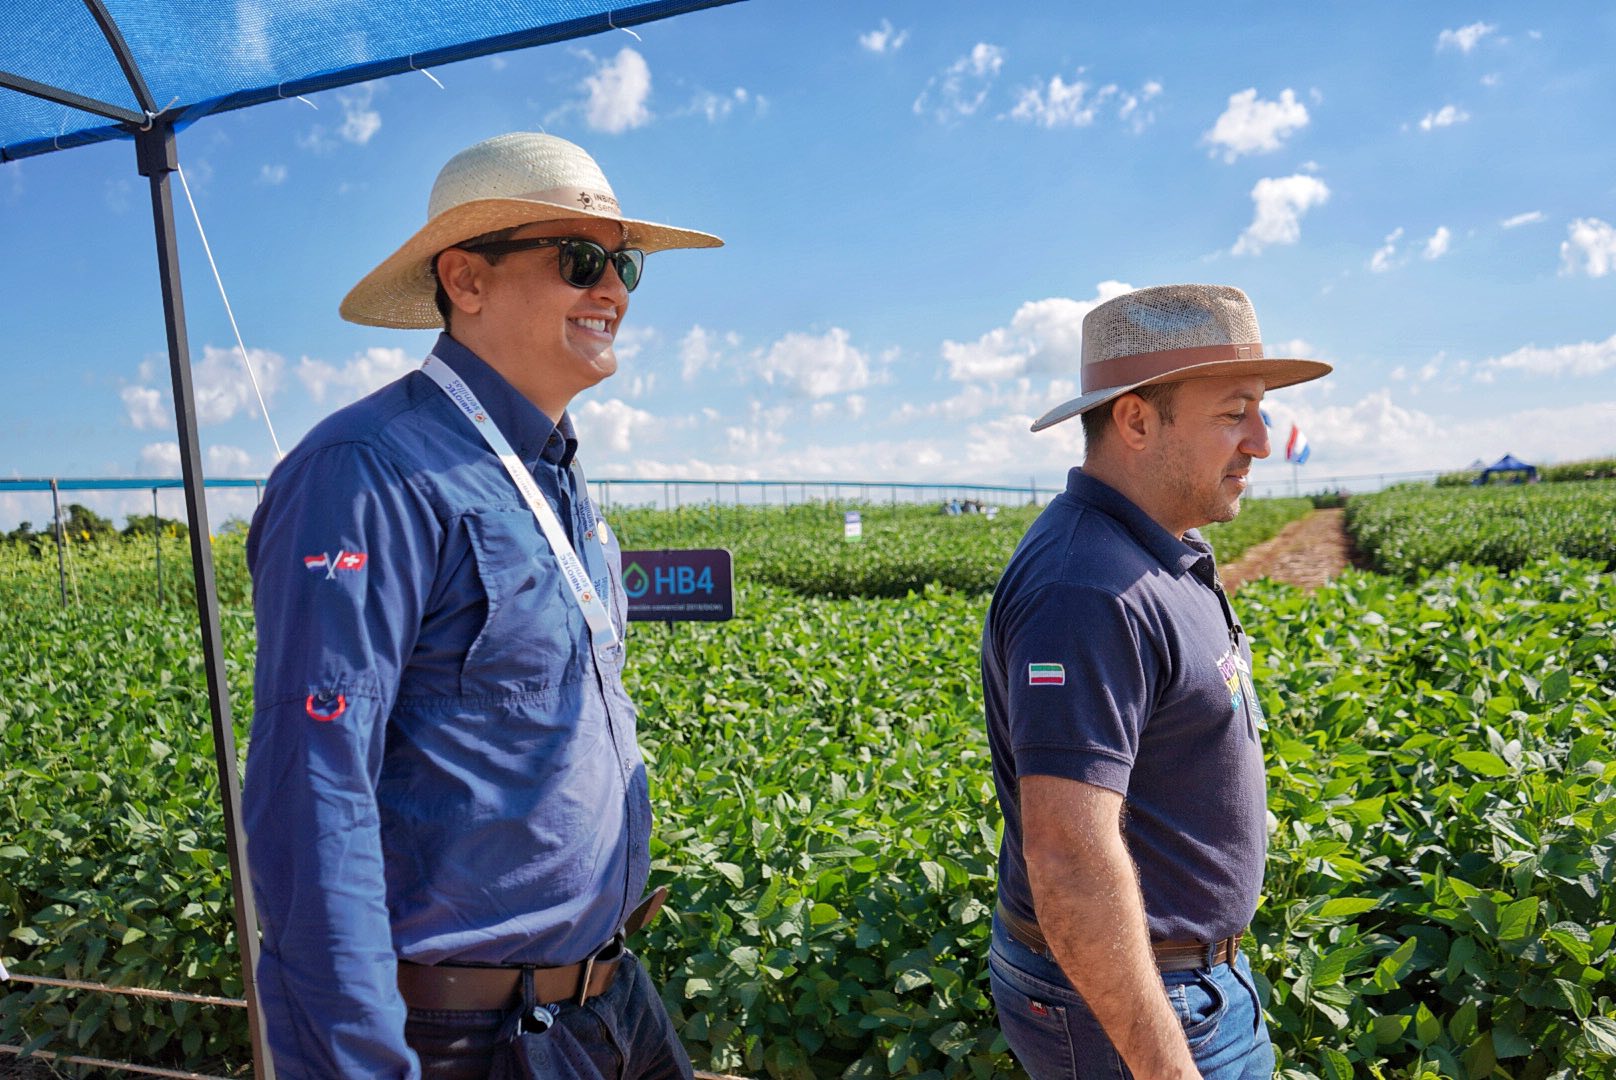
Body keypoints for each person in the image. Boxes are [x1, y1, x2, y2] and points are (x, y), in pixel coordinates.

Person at [242, 132, 721, 1079]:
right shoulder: (364, 472)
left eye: (624, 265)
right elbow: (312, 793)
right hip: (466, 1034)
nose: (614, 290)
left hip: (606, 1000)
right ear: (465, 278)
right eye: (580, 259)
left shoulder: (555, 470)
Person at [980, 284, 1331, 1079]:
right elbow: (1069, 860)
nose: (1261, 442)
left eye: (1261, 410)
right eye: (1234, 413)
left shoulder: (1160, 545)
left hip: (1183, 979)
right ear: (1136, 421)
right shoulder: (1086, 589)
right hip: (1139, 1003)